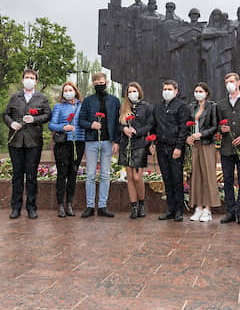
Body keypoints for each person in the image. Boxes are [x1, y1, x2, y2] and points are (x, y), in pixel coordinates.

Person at [3, 69, 52, 220]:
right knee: (17, 175)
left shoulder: (41, 98)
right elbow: (5, 114)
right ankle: (15, 207)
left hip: (33, 142)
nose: (29, 80)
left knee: (31, 175)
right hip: (16, 141)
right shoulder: (15, 97)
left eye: (32, 78)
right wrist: (11, 124)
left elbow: (48, 115)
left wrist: (35, 120)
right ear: (22, 80)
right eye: (26, 77)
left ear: (36, 81)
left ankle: (31, 207)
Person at [77, 72, 120, 218]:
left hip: (108, 142)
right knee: (90, 175)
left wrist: (117, 141)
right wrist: (91, 125)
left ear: (106, 82)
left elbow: (118, 122)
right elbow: (80, 121)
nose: (99, 85)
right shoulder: (88, 101)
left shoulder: (114, 101)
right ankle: (90, 206)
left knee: (105, 175)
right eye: (96, 83)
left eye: (101, 82)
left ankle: (102, 206)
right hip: (91, 142)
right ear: (93, 84)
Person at [152, 79, 191, 221]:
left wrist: (179, 147)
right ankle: (170, 209)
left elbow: (183, 128)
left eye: (169, 89)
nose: (166, 92)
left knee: (177, 179)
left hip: (175, 148)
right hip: (161, 147)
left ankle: (179, 210)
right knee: (167, 179)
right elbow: (154, 125)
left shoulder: (181, 106)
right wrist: (152, 141)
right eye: (164, 89)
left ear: (176, 91)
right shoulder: (157, 107)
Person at [118, 82, 154, 219]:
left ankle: (142, 203)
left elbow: (150, 124)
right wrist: (124, 129)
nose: (132, 94)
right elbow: (118, 125)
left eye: (134, 91)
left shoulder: (147, 107)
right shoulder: (123, 107)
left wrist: (137, 131)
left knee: (137, 177)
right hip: (126, 145)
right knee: (130, 177)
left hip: (140, 144)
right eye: (129, 92)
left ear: (139, 92)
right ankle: (133, 206)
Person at [218, 72, 240, 225]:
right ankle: (230, 210)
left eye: (231, 81)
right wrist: (221, 128)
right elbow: (216, 123)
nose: (229, 84)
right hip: (226, 148)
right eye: (226, 82)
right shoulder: (221, 104)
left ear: (238, 83)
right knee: (228, 180)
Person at [48, 82, 85, 218]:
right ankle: (60, 205)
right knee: (62, 174)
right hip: (63, 143)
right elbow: (51, 125)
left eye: (70, 89)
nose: (68, 92)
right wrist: (63, 127)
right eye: (66, 90)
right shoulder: (59, 106)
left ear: (75, 91)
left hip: (78, 143)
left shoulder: (82, 106)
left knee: (73, 173)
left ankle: (69, 203)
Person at [187, 82, 220, 222]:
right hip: (195, 145)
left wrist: (201, 134)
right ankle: (198, 207)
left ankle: (208, 209)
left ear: (206, 93)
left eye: (200, 91)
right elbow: (188, 124)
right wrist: (189, 137)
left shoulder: (212, 107)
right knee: (196, 176)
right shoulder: (192, 107)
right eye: (196, 91)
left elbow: (215, 126)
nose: (198, 93)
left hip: (207, 143)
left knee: (208, 175)